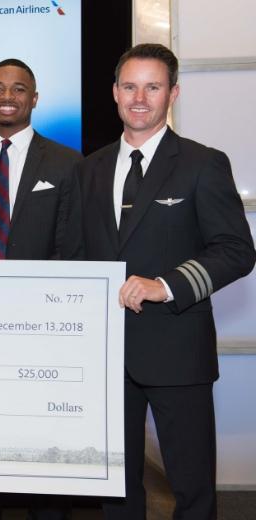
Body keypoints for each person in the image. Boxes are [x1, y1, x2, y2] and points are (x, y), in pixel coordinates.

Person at [70, 43, 255, 519]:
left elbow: (237, 251)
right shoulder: (88, 169)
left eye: (152, 87)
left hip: (178, 352)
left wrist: (166, 284)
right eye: (129, 86)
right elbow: (77, 254)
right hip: (106, 355)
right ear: (114, 92)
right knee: (115, 488)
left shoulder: (202, 163)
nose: (139, 98)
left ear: (173, 92)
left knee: (192, 490)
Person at [0, 59, 81, 520]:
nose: (6, 96)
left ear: (34, 98)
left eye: (18, 88)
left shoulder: (70, 164)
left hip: (41, 329)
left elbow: (73, 248)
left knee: (43, 447)